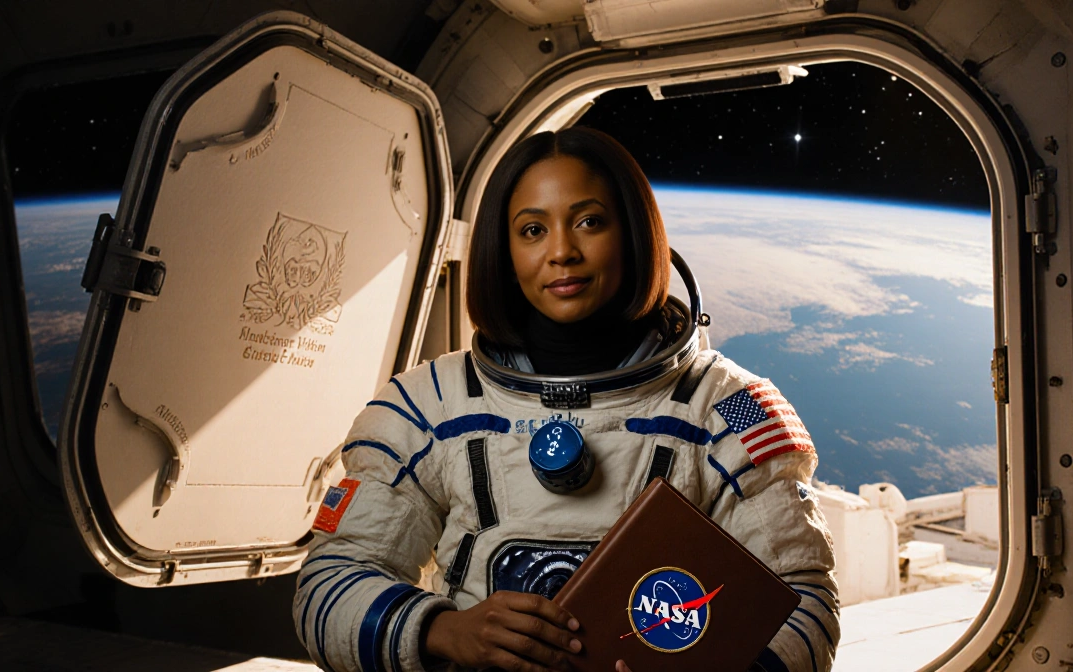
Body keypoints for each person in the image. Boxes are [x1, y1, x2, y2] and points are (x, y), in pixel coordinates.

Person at [293, 128, 840, 672]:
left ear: (633, 233)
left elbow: (802, 599)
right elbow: (329, 583)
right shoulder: (429, 407)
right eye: (533, 230)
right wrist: (444, 630)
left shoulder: (729, 407)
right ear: (504, 252)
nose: (561, 252)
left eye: (589, 222)